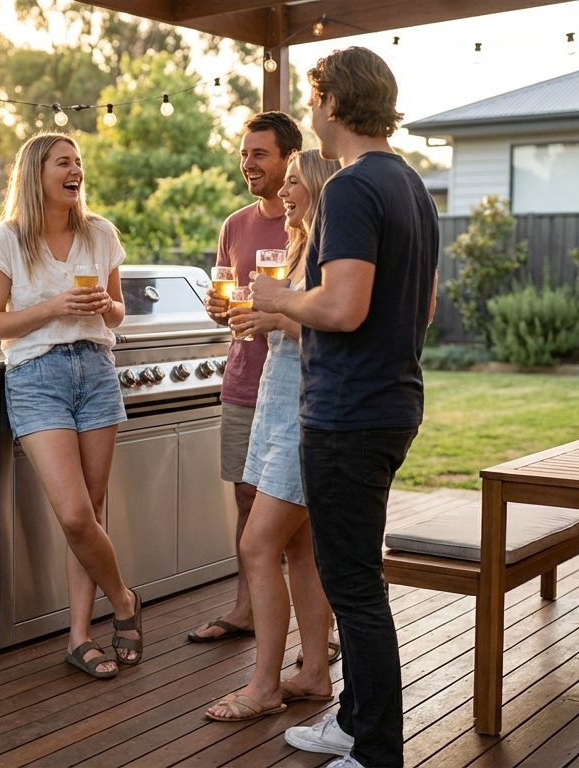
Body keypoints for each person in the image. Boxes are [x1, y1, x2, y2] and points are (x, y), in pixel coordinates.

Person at [254, 48, 438, 768]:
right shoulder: (410, 185)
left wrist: (277, 299)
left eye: (314, 95)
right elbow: (420, 307)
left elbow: (342, 305)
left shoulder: (356, 188)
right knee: (352, 570)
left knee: (353, 585)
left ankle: (377, 751)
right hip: (390, 402)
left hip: (348, 414)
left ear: (332, 103)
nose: (312, 109)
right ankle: (354, 719)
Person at [0, 132, 143, 680]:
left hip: (95, 371)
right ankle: (124, 601)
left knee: (91, 514)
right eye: (63, 163)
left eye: (79, 163)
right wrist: (55, 306)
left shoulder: (100, 234)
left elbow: (117, 314)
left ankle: (78, 636)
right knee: (74, 515)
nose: (76, 170)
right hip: (37, 378)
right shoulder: (5, 241)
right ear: (36, 174)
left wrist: (105, 305)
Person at [205, 149, 340, 722]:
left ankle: (262, 686)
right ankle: (311, 673)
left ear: (316, 190)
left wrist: (278, 318)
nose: (282, 194)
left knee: (257, 544)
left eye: (292, 185)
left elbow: (339, 336)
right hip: (275, 406)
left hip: (303, 416)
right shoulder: (297, 247)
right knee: (299, 548)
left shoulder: (330, 254)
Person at [188, 111, 301, 645]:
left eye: (259, 154)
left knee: (298, 510)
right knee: (246, 498)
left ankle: (310, 624)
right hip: (241, 380)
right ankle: (245, 606)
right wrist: (218, 307)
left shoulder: (307, 221)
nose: (247, 163)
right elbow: (228, 301)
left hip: (294, 385)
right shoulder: (234, 225)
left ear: (288, 158)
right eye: (243, 153)